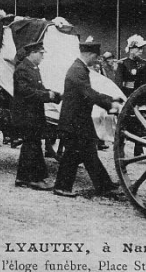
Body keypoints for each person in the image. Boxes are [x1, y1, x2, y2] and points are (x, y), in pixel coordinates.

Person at [53, 41, 124, 198]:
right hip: (74, 121)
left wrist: (111, 100)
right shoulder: (78, 70)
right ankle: (61, 187)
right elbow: (89, 93)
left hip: (79, 120)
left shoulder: (79, 68)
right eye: (96, 57)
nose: (96, 60)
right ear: (91, 55)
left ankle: (104, 185)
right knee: (72, 153)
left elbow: (90, 92)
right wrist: (111, 104)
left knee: (89, 152)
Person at [12, 42, 61, 190]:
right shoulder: (22, 69)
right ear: (32, 53)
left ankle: (22, 178)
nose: (42, 57)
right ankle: (35, 179)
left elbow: (38, 89)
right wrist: (47, 95)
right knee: (32, 145)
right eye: (41, 54)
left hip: (33, 114)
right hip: (25, 115)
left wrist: (54, 95)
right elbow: (25, 92)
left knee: (30, 145)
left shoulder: (33, 68)